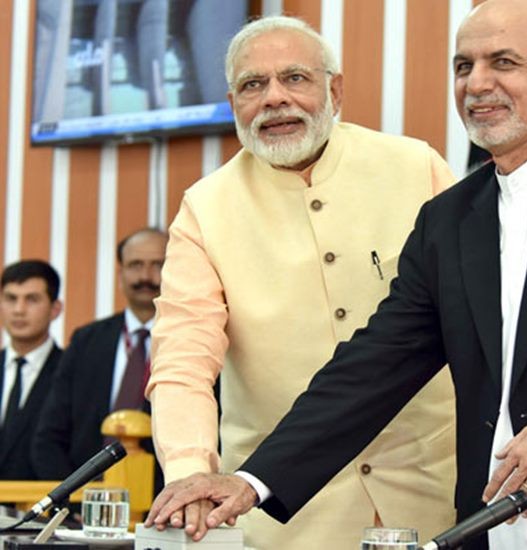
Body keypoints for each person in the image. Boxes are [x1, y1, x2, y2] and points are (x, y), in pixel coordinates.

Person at [147, 2, 527, 549]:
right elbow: (377, 363)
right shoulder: (452, 216)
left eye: (503, 62)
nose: (477, 83)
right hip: (488, 527)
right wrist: (251, 481)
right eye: (464, 66)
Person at [144, 15, 456, 550]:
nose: (274, 99)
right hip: (284, 514)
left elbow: (478, 313)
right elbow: (183, 359)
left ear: (335, 91)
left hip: (435, 493)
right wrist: (190, 468)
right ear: (233, 103)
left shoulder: (415, 166)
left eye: (294, 78)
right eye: (253, 85)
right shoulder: (205, 208)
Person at [32, 228, 167, 481]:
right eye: (135, 265)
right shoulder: (86, 340)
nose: (145, 276)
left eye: (158, 265)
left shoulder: (195, 340)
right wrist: (74, 494)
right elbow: (50, 436)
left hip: (166, 498)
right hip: (84, 496)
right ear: (120, 275)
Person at [0, 260, 62, 480]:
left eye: (32, 299)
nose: (19, 310)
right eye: (11, 299)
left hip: (45, 496)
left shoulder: (71, 371)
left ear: (55, 309)